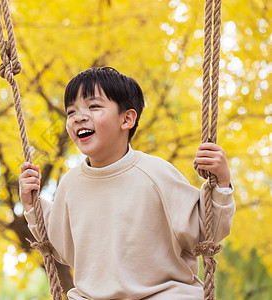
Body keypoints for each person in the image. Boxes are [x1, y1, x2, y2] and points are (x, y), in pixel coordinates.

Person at [19, 67, 235, 299]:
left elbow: (204, 231)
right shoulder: (71, 184)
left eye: (94, 106)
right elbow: (61, 246)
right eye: (71, 111)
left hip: (162, 293)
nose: (79, 117)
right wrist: (33, 206)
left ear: (127, 119)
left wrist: (221, 182)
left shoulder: (156, 173)